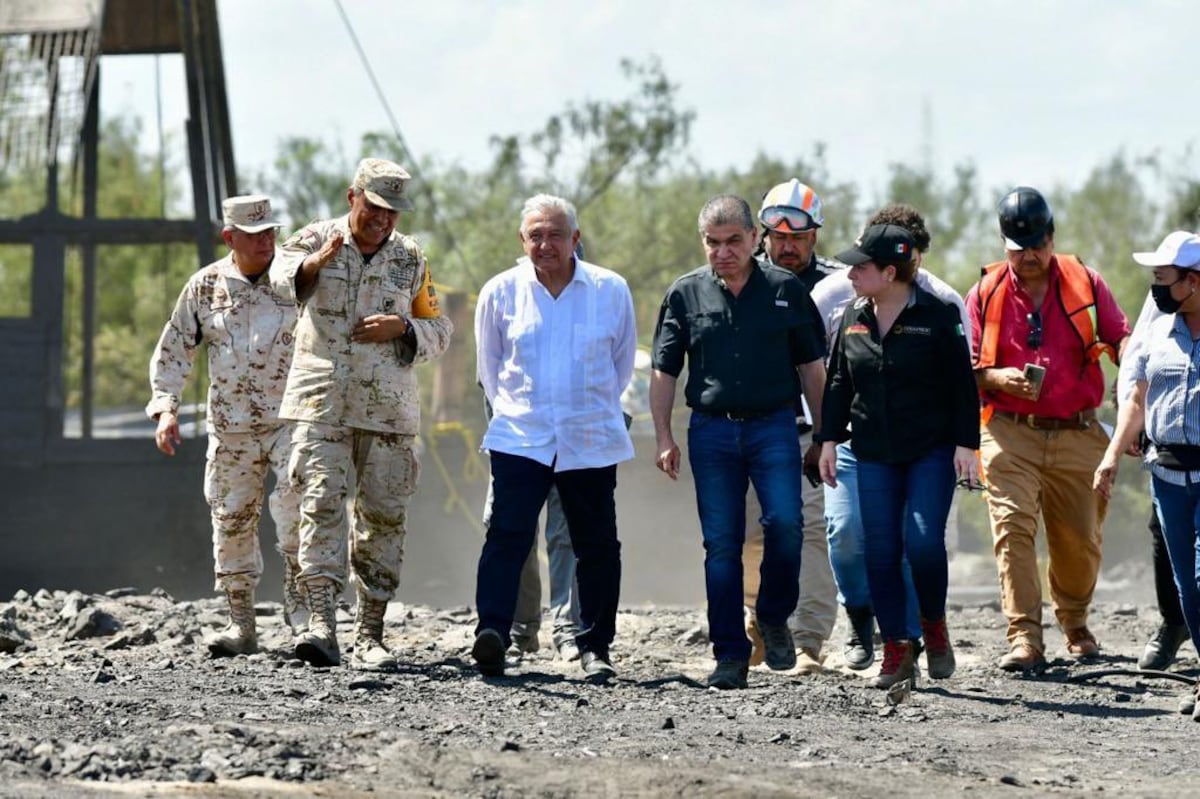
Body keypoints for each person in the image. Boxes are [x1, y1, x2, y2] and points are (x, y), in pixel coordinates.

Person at [271, 158, 453, 669]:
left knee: (383, 518)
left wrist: (404, 328)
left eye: (392, 211)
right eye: (374, 207)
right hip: (321, 403)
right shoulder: (314, 239)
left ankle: (370, 633)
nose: (382, 219)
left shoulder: (410, 258)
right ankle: (321, 624)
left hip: (388, 412)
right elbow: (279, 284)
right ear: (353, 198)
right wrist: (315, 265)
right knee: (319, 507)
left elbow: (441, 329)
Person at [650, 195, 827, 690]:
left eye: (733, 241)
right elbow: (664, 371)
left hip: (775, 426)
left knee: (787, 524)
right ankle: (730, 652)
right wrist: (663, 436)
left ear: (754, 239)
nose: (723, 252)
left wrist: (824, 436)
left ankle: (772, 615)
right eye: (713, 242)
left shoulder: (785, 289)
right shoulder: (685, 294)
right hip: (712, 431)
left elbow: (813, 369)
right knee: (722, 544)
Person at [472, 194, 636, 681]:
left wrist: (584, 407)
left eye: (556, 235)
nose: (546, 245)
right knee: (507, 535)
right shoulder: (500, 292)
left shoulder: (610, 289)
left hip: (589, 436)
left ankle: (594, 645)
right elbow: (490, 369)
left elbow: (621, 365)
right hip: (522, 435)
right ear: (522, 240)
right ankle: (494, 632)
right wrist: (522, 413)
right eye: (536, 235)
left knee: (596, 544)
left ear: (575, 239)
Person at [967, 186, 1129, 672]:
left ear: (1052, 237)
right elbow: (964, 370)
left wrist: (1134, 394)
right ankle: (1024, 638)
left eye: (1037, 245)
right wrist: (998, 378)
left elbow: (1123, 342)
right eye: (1018, 249)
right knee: (1012, 529)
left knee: (1079, 541)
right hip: (1008, 431)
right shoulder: (985, 293)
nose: (1029, 256)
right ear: (1004, 245)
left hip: (1079, 431)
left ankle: (1075, 622)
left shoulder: (1087, 283)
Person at [810, 204, 973, 672]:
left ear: (890, 272)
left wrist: (967, 445)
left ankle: (933, 624)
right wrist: (827, 440)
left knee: (922, 544)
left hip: (929, 451)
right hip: (872, 452)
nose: (851, 274)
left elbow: (962, 385)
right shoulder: (853, 315)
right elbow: (839, 382)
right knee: (879, 551)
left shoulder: (939, 315)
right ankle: (897, 651)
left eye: (861, 267)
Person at [147, 194, 301, 656]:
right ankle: (241, 624)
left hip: (291, 421)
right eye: (252, 235)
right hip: (231, 427)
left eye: (269, 232)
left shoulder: (297, 278)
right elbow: (175, 347)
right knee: (231, 520)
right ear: (229, 237)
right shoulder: (205, 286)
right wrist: (166, 408)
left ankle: (306, 619)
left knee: (299, 515)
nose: (264, 241)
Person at [1094, 230, 1200, 718]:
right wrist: (1112, 455)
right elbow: (1136, 397)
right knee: (1187, 588)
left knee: (1199, 576)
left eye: (1164, 278)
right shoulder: (1159, 331)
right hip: (1167, 477)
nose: (1156, 288)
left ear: (1193, 281)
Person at [740, 180, 840, 671]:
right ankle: (759, 625)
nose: (787, 246)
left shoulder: (840, 286)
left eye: (797, 237)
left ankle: (807, 639)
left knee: (812, 529)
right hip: (754, 425)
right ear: (763, 235)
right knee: (748, 534)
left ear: (814, 235)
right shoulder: (741, 279)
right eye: (778, 236)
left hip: (813, 430)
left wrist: (831, 431)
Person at [1114, 290, 1190, 671]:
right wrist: (1130, 422)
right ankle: (1174, 623)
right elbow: (1140, 348)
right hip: (1173, 446)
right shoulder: (1171, 286)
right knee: (1162, 530)